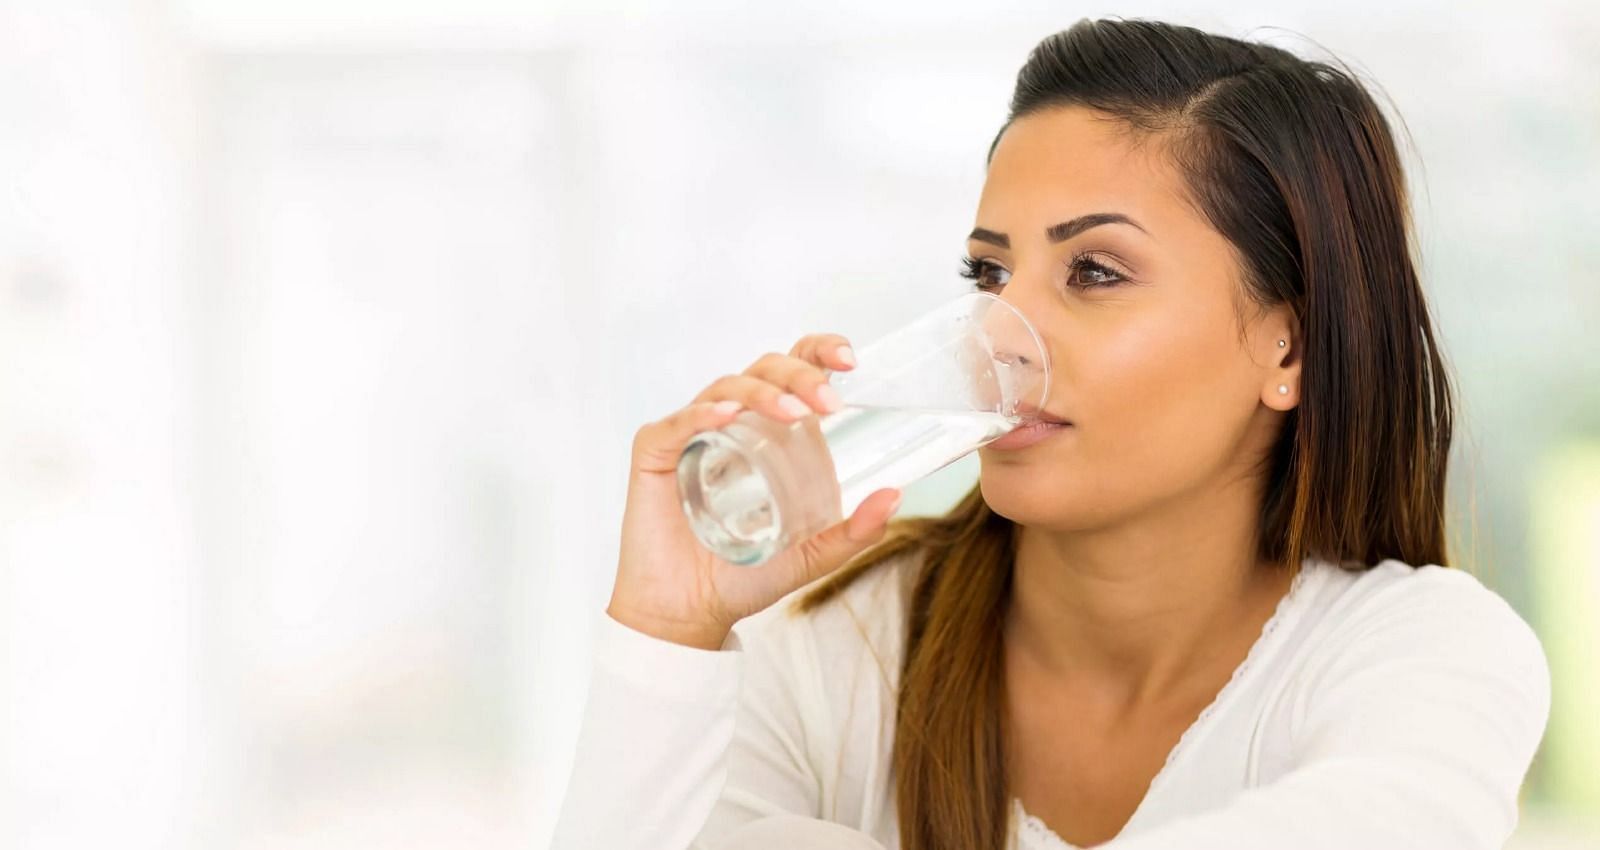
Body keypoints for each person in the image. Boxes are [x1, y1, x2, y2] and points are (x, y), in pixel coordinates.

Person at [550, 17, 1551, 850]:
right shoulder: (830, 647)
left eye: (1095, 273)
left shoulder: (1421, 653)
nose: (999, 336)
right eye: (989, 276)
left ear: (1286, 345)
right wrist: (672, 630)